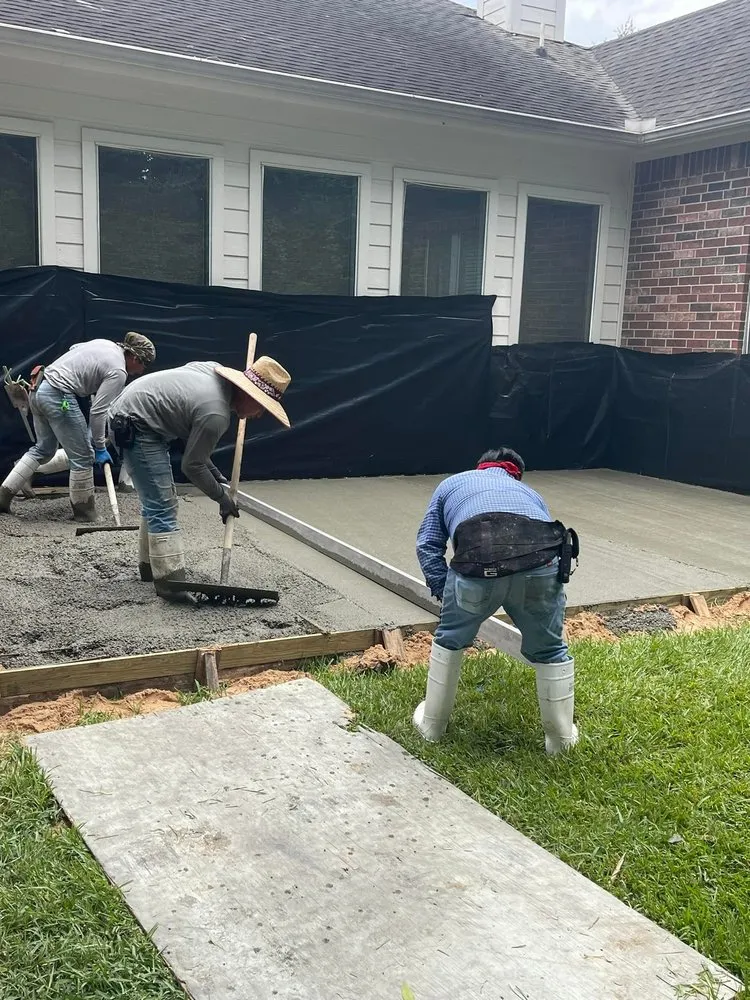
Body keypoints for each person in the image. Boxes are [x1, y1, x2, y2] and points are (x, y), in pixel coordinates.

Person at [413, 447, 580, 755]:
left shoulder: (452, 483)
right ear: (515, 473)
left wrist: (444, 589)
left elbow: (427, 544)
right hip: (540, 568)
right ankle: (561, 741)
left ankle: (432, 727)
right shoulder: (529, 493)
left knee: (450, 640)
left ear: (480, 468)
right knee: (551, 649)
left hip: (477, 566)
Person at [108, 356, 291, 600]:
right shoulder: (216, 413)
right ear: (250, 395)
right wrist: (221, 498)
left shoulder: (212, 372)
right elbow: (191, 465)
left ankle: (150, 569)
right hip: (135, 425)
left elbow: (192, 437)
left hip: (137, 413)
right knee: (162, 505)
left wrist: (214, 473)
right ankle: (170, 584)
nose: (259, 416)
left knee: (156, 499)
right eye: (262, 408)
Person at [0, 332, 156, 521]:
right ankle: (85, 512)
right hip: (59, 396)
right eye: (143, 365)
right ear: (135, 357)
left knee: (44, 449)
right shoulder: (119, 371)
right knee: (83, 456)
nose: (141, 371)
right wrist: (99, 447)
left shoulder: (104, 343)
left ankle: (4, 495)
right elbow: (98, 412)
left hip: (38, 388)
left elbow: (74, 350)